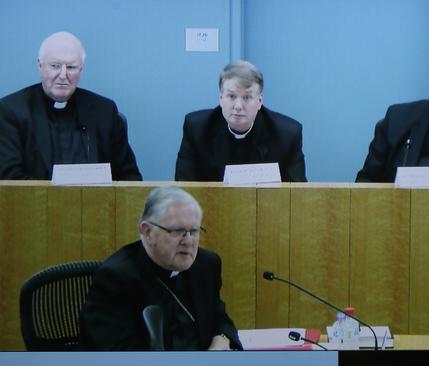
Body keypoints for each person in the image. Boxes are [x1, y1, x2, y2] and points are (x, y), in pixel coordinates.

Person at [79, 186, 242, 350]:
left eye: (194, 231)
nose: (188, 241)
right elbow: (115, 353)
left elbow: (219, 317)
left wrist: (223, 338)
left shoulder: (206, 265)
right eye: (177, 231)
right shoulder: (115, 278)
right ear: (148, 232)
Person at [0, 31, 141, 181]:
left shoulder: (104, 111)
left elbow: (130, 178)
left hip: (97, 203)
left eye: (71, 67)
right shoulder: (11, 111)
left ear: (81, 70)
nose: (63, 75)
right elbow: (10, 179)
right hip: (35, 203)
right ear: (40, 66)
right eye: (55, 66)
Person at [175, 60, 306, 181]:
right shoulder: (197, 129)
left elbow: (297, 196)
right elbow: (184, 188)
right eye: (231, 96)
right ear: (221, 98)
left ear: (260, 101)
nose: (238, 106)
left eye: (247, 97)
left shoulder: (287, 134)